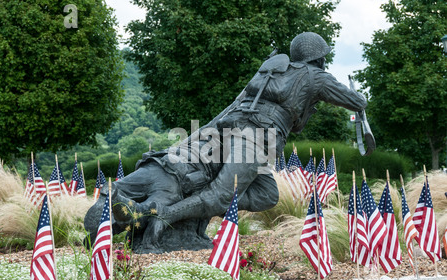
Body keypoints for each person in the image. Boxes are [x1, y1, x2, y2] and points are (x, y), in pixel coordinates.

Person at [84, 32, 367, 250]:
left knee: (267, 195)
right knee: (221, 195)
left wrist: (203, 134)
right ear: (317, 57)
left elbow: (234, 105)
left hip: (233, 130)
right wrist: (359, 97)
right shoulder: (316, 76)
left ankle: (163, 210)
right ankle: (161, 214)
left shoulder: (270, 69)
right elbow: (356, 101)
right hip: (260, 137)